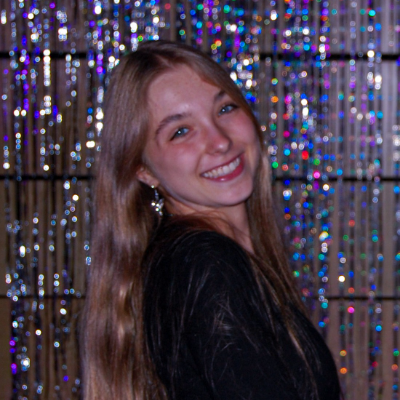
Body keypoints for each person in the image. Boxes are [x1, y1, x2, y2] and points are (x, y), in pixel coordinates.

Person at [81, 40, 340, 400]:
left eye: (225, 108)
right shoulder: (207, 263)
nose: (220, 141)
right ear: (144, 170)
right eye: (180, 131)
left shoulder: (192, 260)